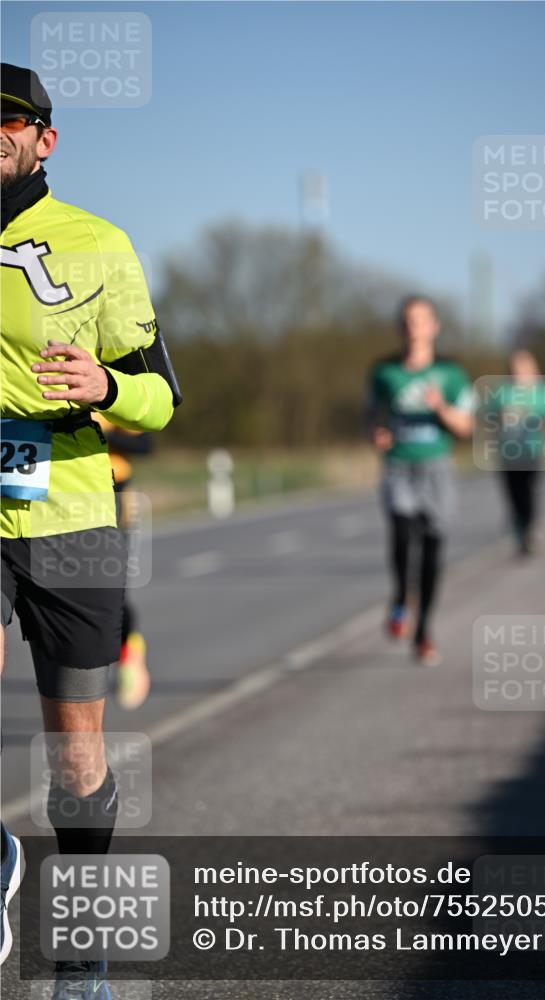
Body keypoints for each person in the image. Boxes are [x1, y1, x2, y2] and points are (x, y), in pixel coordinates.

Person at [0, 64, 181, 997]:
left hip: (70, 518)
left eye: (11, 119)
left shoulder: (98, 245)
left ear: (44, 139)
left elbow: (163, 397)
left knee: (76, 752)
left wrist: (108, 388)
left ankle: (80, 957)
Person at [366, 295, 474, 666]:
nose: (414, 326)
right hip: (399, 466)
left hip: (436, 468)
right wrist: (377, 433)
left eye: (420, 319)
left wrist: (440, 407)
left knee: (431, 549)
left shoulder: (452, 373)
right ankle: (401, 596)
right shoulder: (384, 372)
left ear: (434, 326)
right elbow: (372, 418)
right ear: (400, 327)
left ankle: (424, 630)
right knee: (400, 533)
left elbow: (467, 426)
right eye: (407, 320)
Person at [94, 415, 153, 710]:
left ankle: (130, 651)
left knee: (112, 593)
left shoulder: (105, 385)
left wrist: (98, 432)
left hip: (114, 503)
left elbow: (145, 444)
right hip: (60, 502)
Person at [485, 350, 545, 556]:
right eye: (516, 369)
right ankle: (520, 531)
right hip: (508, 452)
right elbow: (488, 417)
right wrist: (500, 416)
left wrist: (539, 421)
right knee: (513, 494)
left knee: (529, 491)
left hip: (532, 449)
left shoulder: (542, 392)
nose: (519, 373)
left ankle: (531, 528)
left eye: (524, 368)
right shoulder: (502, 391)